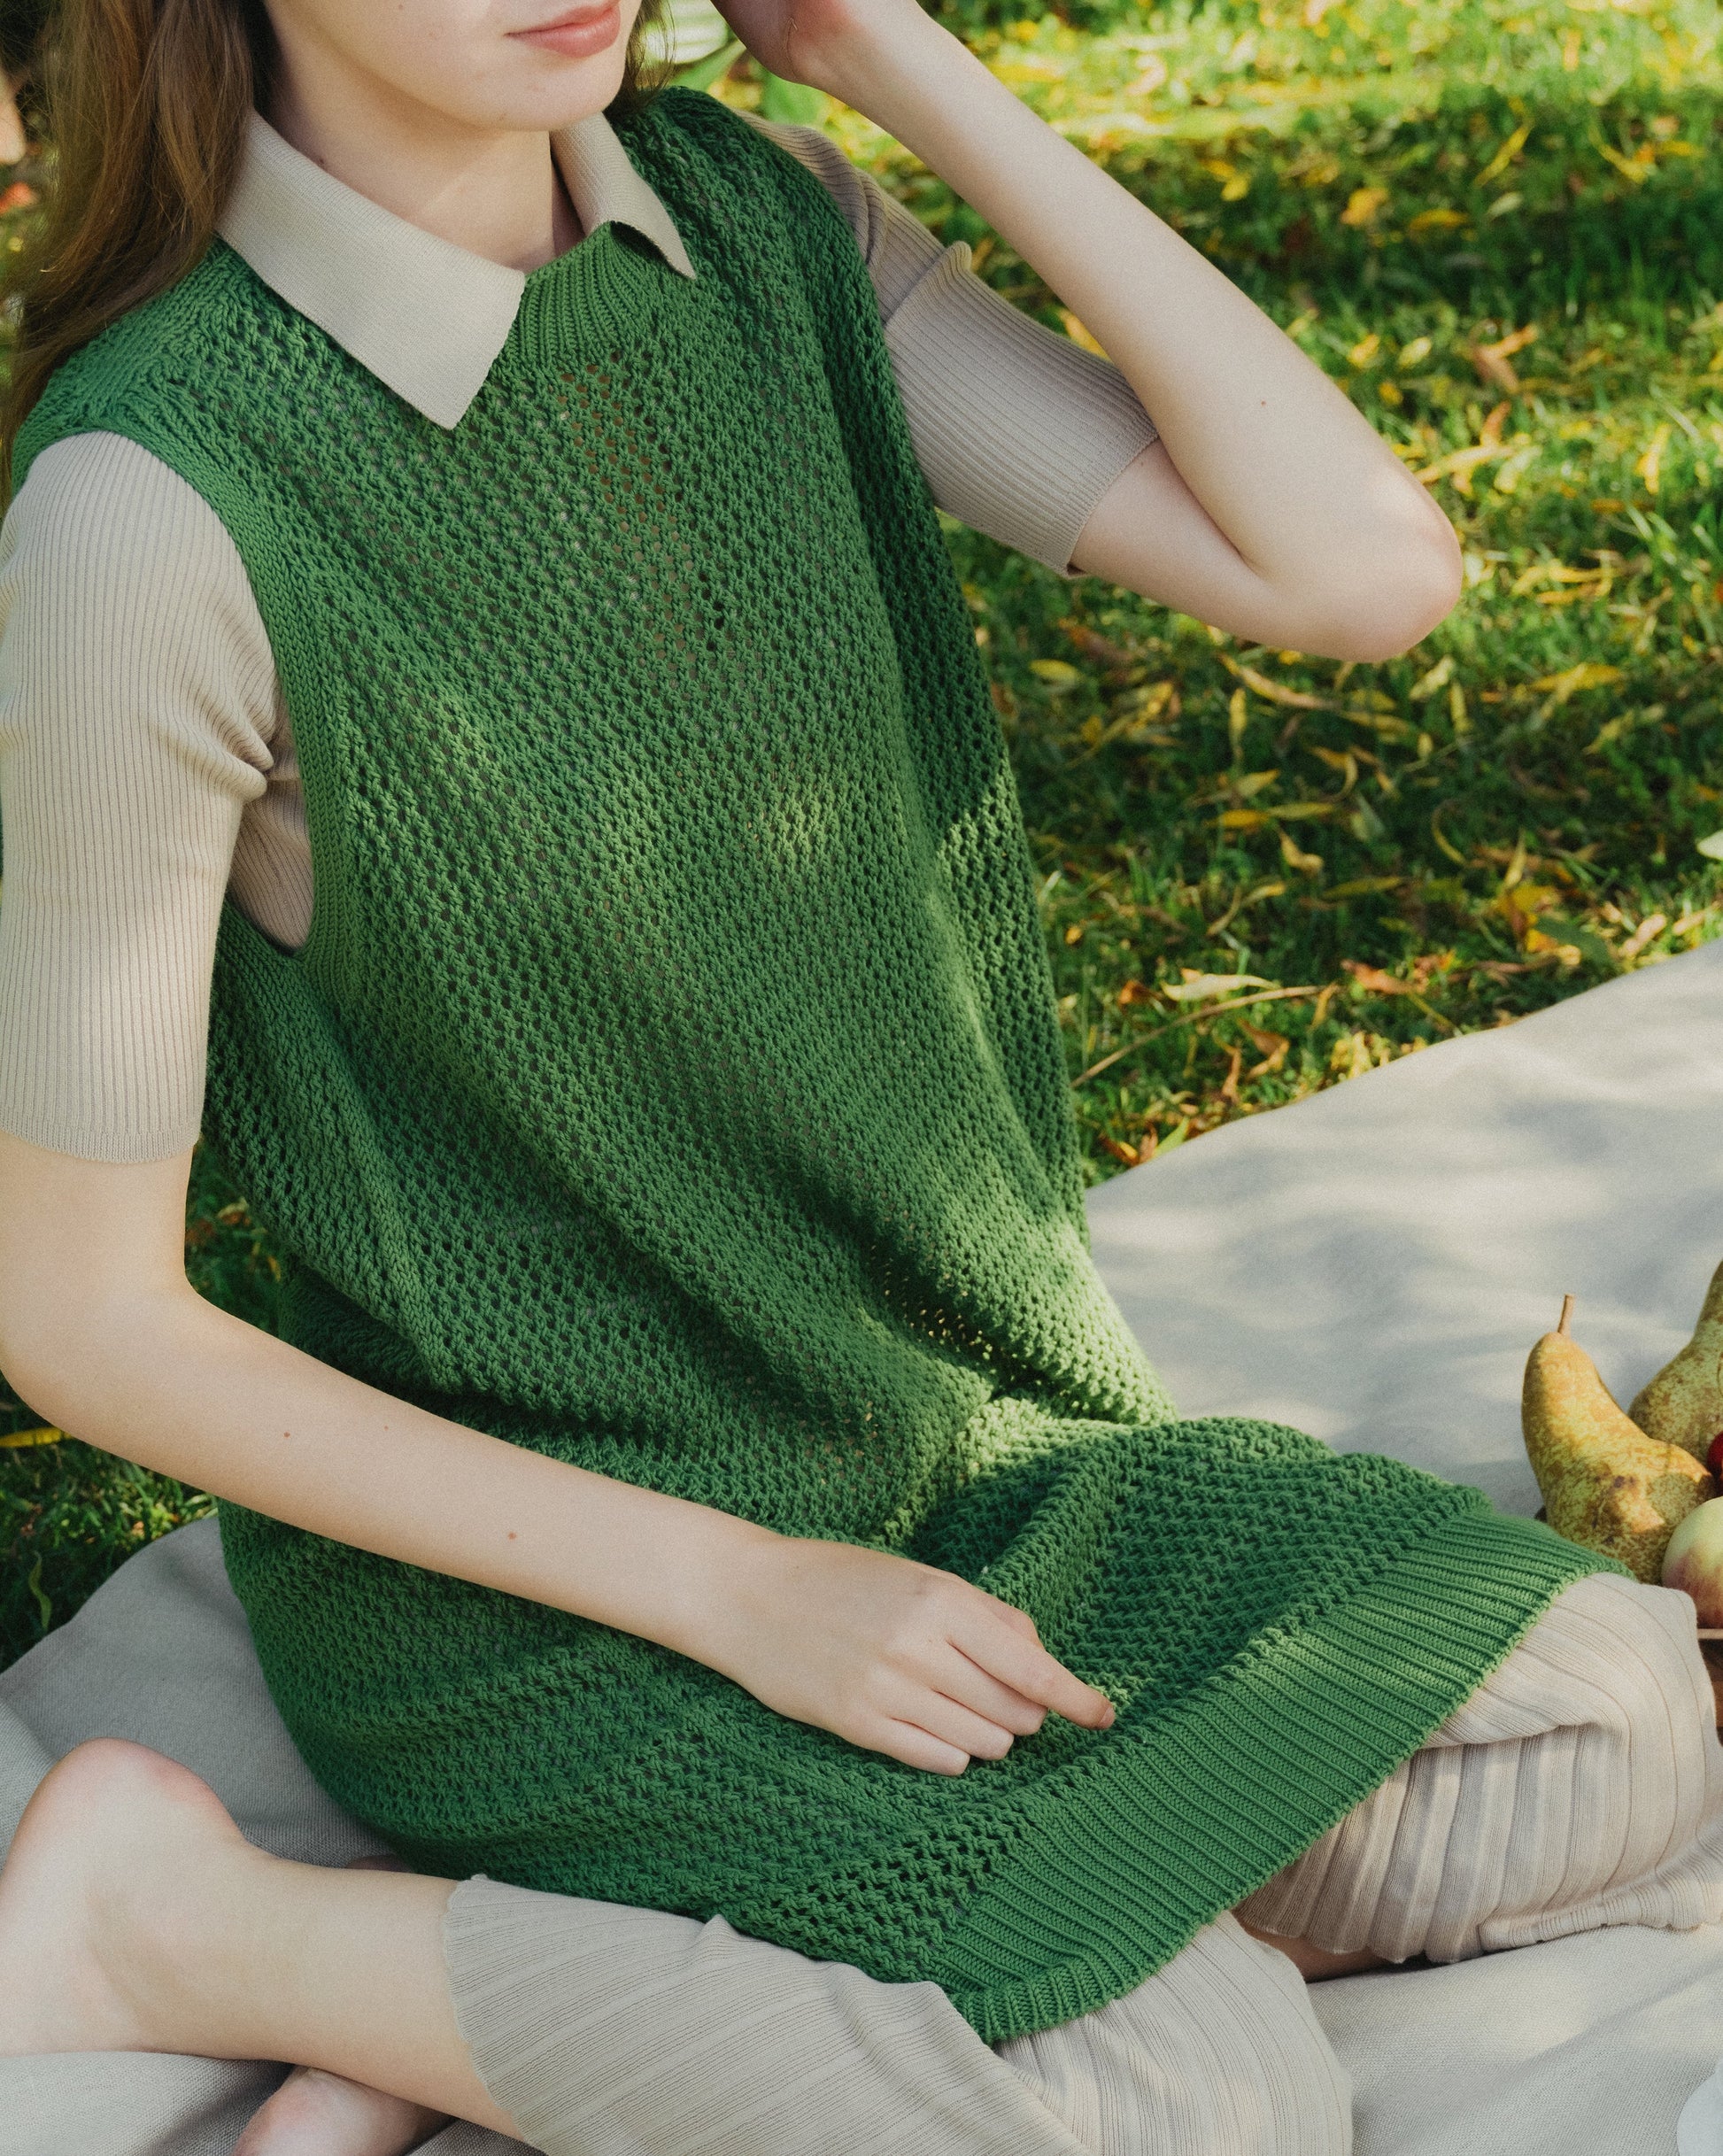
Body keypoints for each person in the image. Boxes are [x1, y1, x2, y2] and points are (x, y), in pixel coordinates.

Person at [0, 4, 1719, 2154]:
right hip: (551, 1596)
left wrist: (888, 56)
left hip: (964, 1463)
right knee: (1185, 2107)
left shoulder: (762, 227)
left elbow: (1356, 572)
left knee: (1612, 1714)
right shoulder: (149, 507)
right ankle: (198, 1933)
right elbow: (80, 1320)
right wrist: (751, 1594)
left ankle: (646, 1986)